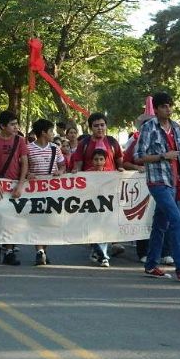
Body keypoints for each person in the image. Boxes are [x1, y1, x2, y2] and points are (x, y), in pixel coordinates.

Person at [134, 92, 180, 282]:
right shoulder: (148, 127)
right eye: (163, 106)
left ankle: (151, 265)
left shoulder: (177, 128)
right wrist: (163, 155)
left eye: (170, 105)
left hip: (172, 181)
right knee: (178, 221)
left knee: (160, 224)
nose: (168, 109)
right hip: (157, 180)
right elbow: (138, 156)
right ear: (156, 109)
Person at [71, 112, 123, 266]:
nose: (100, 128)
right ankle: (100, 251)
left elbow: (120, 163)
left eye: (102, 125)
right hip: (90, 189)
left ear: (106, 126)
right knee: (93, 220)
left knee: (106, 220)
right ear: (91, 127)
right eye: (96, 125)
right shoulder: (84, 144)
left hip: (109, 189)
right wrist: (75, 175)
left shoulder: (113, 142)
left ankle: (101, 251)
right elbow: (78, 165)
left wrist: (122, 170)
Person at [0, 110, 28, 266]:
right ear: (2, 125)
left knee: (11, 219)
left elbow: (24, 163)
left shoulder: (20, 141)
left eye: (17, 124)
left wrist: (21, 184)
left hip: (14, 184)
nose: (16, 127)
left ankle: (9, 251)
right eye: (12, 124)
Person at [27, 119, 66, 266]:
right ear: (43, 132)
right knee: (37, 221)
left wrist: (60, 172)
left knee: (49, 221)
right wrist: (28, 174)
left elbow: (62, 165)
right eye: (51, 131)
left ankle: (44, 250)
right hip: (34, 191)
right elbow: (23, 167)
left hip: (51, 189)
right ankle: (39, 251)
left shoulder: (56, 148)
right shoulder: (28, 148)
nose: (53, 134)